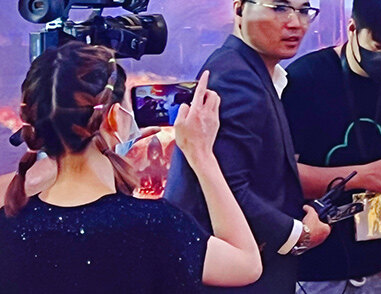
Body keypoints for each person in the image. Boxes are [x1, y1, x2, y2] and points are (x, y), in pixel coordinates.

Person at [0, 45, 262, 291]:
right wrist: (201, 154)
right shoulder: (156, 225)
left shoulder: (9, 226)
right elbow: (245, 264)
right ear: (114, 117)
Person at [166, 0, 332, 294]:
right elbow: (230, 186)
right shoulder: (235, 78)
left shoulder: (252, 71)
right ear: (239, 9)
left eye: (304, 10)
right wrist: (298, 235)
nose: (296, 23)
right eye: (280, 8)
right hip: (239, 277)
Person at [282, 0, 381, 294]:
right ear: (353, 28)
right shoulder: (305, 80)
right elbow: (282, 177)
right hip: (318, 270)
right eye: (377, 46)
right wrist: (361, 177)